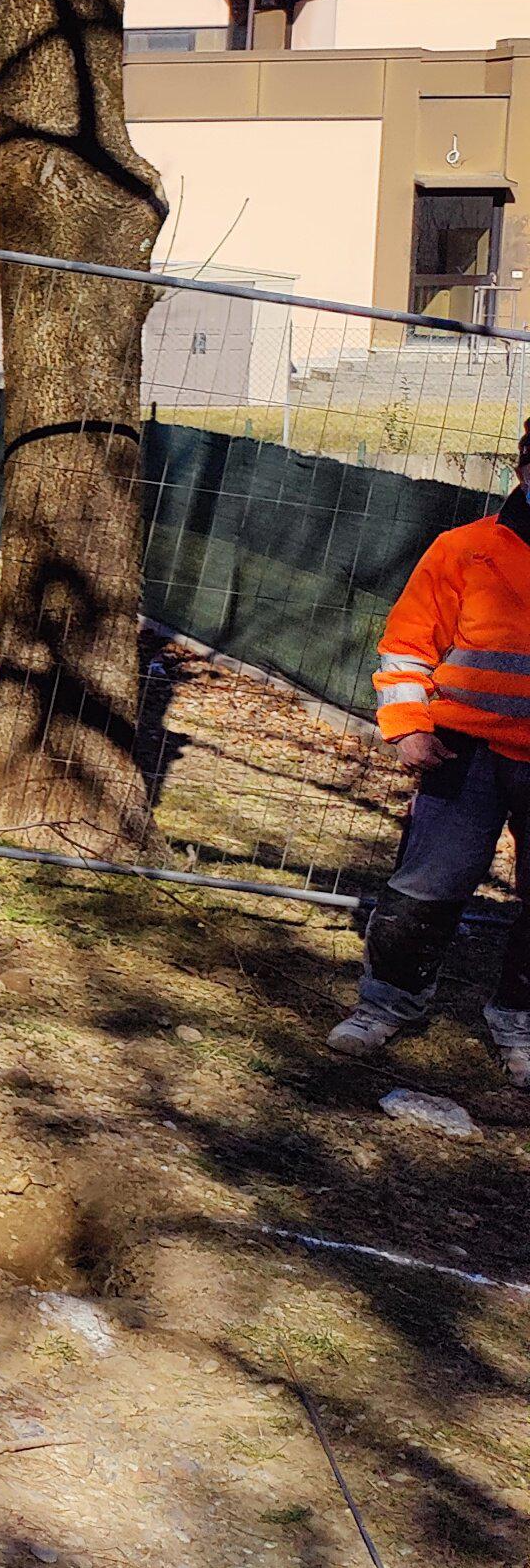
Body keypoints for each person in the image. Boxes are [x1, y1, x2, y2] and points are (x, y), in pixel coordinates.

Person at [339, 411, 530, 1082]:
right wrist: (411, 728)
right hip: (464, 752)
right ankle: (386, 1006)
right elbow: (406, 644)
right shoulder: (465, 549)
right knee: (426, 886)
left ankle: (520, 1026)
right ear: (521, 470)